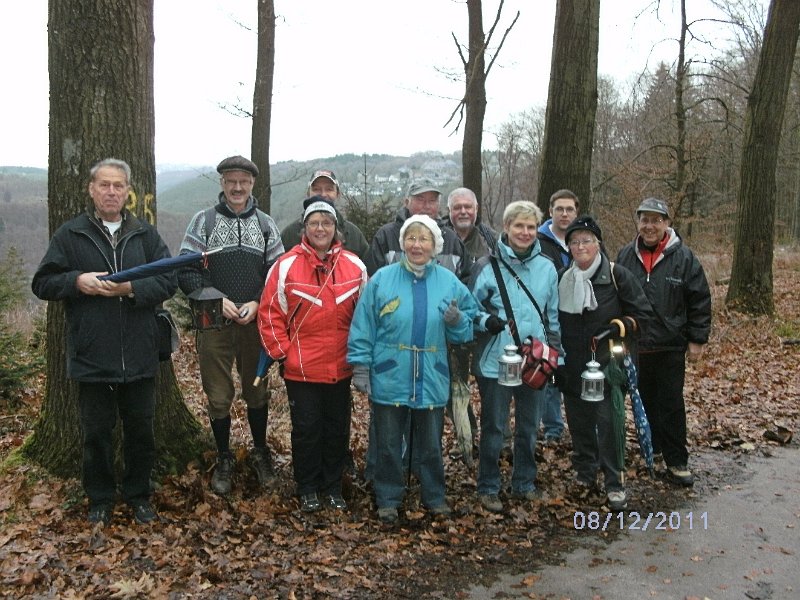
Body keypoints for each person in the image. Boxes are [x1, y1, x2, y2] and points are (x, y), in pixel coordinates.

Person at [31, 158, 177, 526]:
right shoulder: (71, 235)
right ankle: (99, 498)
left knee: (141, 431)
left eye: (118, 186)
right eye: (104, 185)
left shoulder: (144, 234)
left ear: (128, 192)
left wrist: (132, 288)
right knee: (95, 434)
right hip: (92, 354)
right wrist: (76, 282)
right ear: (91, 189)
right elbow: (43, 282)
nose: (111, 192)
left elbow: (169, 280)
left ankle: (138, 495)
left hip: (140, 353)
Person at [347, 215, 478, 524]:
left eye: (424, 239)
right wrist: (361, 366)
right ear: (403, 242)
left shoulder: (448, 281)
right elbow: (364, 324)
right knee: (389, 442)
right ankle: (388, 498)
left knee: (431, 443)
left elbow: (468, 323)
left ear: (435, 246)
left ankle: (434, 496)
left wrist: (457, 321)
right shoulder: (382, 279)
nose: (417, 245)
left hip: (431, 374)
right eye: (411, 238)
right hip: (390, 373)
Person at [177, 155, 284, 496]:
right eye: (231, 181)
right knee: (218, 393)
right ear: (222, 183)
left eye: (244, 181)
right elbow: (186, 270)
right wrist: (214, 299)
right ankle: (224, 456)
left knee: (257, 389)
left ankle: (260, 452)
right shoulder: (203, 222)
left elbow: (278, 275)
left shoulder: (266, 225)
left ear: (252, 184)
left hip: (255, 322)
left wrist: (257, 302)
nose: (237, 187)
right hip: (214, 323)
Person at [259, 197, 367, 513]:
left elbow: (366, 317)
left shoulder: (355, 266)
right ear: (304, 228)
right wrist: (284, 354)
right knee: (306, 430)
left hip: (341, 367)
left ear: (336, 228)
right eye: (314, 223)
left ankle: (332, 487)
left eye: (327, 223)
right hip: (301, 370)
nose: (320, 229)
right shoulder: (285, 266)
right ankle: (307, 487)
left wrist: (360, 357)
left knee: (336, 429)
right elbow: (269, 313)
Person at [469, 200, 563, 514]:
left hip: (535, 360)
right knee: (494, 427)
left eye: (531, 226)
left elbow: (552, 317)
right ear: (506, 227)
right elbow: (470, 310)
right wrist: (486, 321)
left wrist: (556, 355)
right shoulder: (486, 266)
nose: (525, 232)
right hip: (496, 361)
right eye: (519, 226)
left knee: (528, 427)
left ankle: (524, 482)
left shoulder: (547, 268)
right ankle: (488, 486)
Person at [556, 216, 654, 510]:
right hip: (573, 365)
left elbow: (644, 316)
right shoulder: (562, 278)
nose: (580, 247)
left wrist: (618, 327)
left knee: (609, 424)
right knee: (579, 424)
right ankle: (585, 473)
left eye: (586, 240)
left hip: (609, 366)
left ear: (597, 244)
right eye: (574, 242)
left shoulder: (616, 275)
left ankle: (614, 482)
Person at [616, 198, 711, 487]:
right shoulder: (625, 255)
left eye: (656, 220)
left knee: (670, 403)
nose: (649, 226)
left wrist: (697, 339)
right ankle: (653, 449)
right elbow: (615, 297)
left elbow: (699, 299)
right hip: (637, 345)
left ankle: (676, 460)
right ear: (638, 222)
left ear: (667, 223)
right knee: (644, 402)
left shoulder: (684, 258)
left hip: (671, 345)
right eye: (644, 220)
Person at [442, 187, 498, 462]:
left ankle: (495, 438)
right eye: (457, 207)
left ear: (476, 210)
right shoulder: (440, 238)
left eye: (468, 207)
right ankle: (466, 435)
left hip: (486, 326)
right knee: (455, 386)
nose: (463, 211)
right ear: (449, 211)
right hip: (453, 326)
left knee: (490, 385)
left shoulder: (489, 239)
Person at [535, 189, 580, 443]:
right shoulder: (538, 241)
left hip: (576, 317)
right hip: (546, 317)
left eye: (569, 209)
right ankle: (553, 428)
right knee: (550, 371)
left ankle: (580, 426)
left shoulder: (583, 239)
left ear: (576, 212)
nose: (564, 214)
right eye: (559, 209)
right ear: (550, 211)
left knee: (575, 371)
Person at [363, 178, 469, 278]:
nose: (427, 206)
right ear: (406, 203)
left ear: (438, 205)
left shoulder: (451, 239)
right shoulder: (386, 236)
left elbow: (465, 281)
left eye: (432, 201)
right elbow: (372, 279)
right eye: (420, 200)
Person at [280, 169, 369, 260]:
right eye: (316, 189)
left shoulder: (354, 235)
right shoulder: (289, 235)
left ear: (338, 194)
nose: (323, 194)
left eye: (329, 189)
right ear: (308, 193)